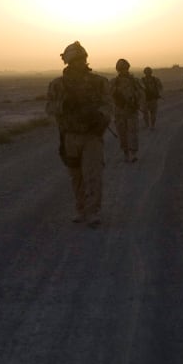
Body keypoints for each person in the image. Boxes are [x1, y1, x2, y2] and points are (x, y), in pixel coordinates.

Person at [45, 41, 112, 227]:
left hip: (92, 135)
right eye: (75, 60)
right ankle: (81, 209)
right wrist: (64, 105)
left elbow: (108, 105)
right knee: (76, 176)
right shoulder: (57, 85)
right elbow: (49, 107)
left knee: (93, 175)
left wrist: (99, 116)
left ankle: (93, 212)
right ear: (68, 62)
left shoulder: (99, 82)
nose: (79, 63)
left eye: (82, 59)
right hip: (70, 136)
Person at [111, 58, 142, 162]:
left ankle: (133, 153)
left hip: (131, 111)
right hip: (119, 112)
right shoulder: (114, 82)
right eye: (120, 69)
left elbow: (141, 94)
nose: (123, 71)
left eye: (124, 69)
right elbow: (108, 96)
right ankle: (126, 153)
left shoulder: (134, 81)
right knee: (122, 133)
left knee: (132, 132)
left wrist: (134, 101)